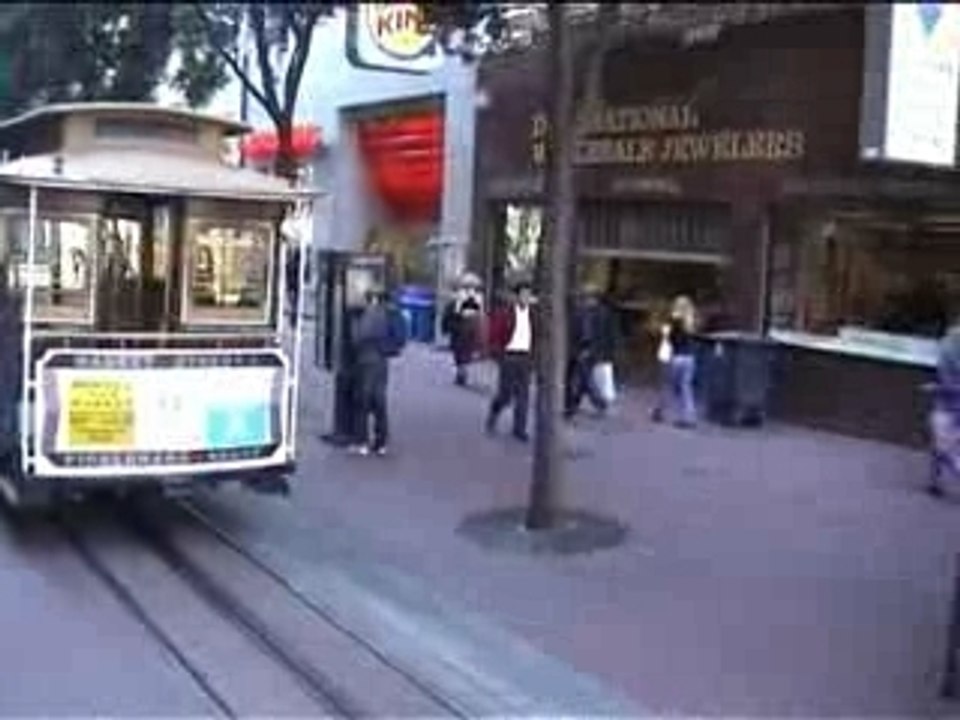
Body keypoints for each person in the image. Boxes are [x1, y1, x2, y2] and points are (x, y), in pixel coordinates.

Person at [348, 286, 407, 456]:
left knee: (363, 400)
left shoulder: (371, 314)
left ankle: (362, 442)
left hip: (367, 360)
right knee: (379, 401)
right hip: (382, 361)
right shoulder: (389, 312)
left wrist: (354, 322)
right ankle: (381, 442)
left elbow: (358, 337)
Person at [485, 279, 536, 442]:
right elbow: (495, 335)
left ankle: (519, 429)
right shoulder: (505, 313)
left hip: (526, 357)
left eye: (529, 295)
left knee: (523, 395)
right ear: (516, 296)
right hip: (509, 356)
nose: (526, 298)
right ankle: (494, 412)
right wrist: (498, 354)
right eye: (523, 294)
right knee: (505, 394)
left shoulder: (534, 315)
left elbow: (538, 336)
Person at [565, 285, 616, 419]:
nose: (586, 300)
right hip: (584, 351)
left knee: (585, 380)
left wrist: (591, 351)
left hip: (589, 351)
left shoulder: (598, 313)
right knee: (582, 380)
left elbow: (601, 335)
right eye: (585, 297)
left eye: (588, 297)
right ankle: (574, 406)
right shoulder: (585, 312)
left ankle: (594, 404)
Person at [652, 295, 699, 428]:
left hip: (676, 357)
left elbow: (667, 336)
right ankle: (689, 417)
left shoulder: (673, 320)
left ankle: (659, 411)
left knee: (668, 385)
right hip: (690, 358)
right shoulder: (692, 321)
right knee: (686, 388)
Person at [441, 273, 484, 387]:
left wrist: (446, 327)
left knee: (461, 352)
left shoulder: (466, 299)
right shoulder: (471, 299)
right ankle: (462, 371)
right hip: (463, 330)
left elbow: (449, 314)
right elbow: (449, 313)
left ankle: (462, 371)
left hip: (462, 330)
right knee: (462, 353)